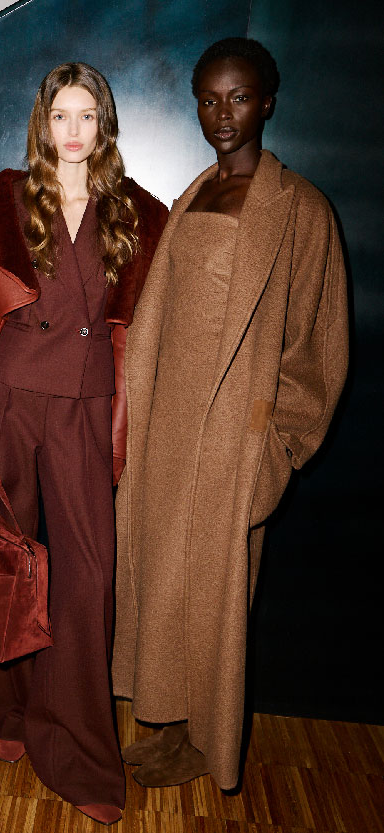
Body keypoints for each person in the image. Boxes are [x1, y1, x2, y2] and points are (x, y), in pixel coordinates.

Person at [113, 37, 349, 791]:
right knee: (163, 582)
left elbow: (318, 348)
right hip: (168, 425)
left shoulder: (301, 208)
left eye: (239, 97)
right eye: (209, 99)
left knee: (218, 599)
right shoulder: (193, 195)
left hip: (233, 439)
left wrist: (277, 450)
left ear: (267, 102)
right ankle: (170, 720)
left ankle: (206, 742)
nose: (223, 114)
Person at [0, 62, 167, 825]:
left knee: (86, 580)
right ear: (42, 123)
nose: (73, 131)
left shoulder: (137, 212)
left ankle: (77, 748)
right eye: (60, 115)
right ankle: (7, 708)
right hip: (13, 401)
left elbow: (131, 338)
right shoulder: (4, 201)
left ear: (105, 125)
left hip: (84, 406)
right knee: (6, 559)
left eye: (87, 116)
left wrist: (121, 434)